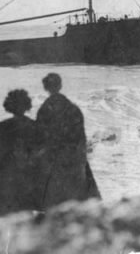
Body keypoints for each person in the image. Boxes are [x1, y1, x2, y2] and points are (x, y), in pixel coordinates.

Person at [36, 73, 101, 209]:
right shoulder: (73, 108)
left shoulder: (44, 110)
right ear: (60, 85)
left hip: (53, 161)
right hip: (73, 158)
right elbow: (81, 138)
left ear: (45, 88)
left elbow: (40, 139)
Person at [0, 89, 44, 214]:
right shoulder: (35, 126)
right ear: (27, 105)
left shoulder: (1, 127)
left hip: (5, 181)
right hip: (29, 180)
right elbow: (42, 153)